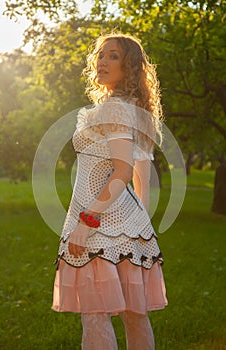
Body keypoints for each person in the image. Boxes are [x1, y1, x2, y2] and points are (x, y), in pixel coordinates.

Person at [52, 32, 168, 350]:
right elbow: (139, 170)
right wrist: (140, 227)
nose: (102, 61)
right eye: (101, 55)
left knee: (95, 315)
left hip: (99, 226)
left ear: (128, 67)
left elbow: (123, 171)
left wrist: (85, 222)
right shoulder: (130, 109)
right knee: (134, 315)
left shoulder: (115, 109)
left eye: (113, 56)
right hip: (126, 226)